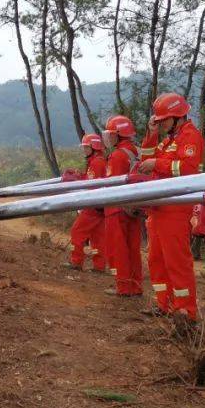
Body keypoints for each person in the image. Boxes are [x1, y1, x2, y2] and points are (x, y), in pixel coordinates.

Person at [137, 94, 204, 320]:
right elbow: (144, 160)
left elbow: (187, 169)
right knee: (156, 259)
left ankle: (186, 310)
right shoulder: (169, 140)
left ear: (177, 116)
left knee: (177, 261)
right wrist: (151, 135)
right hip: (158, 207)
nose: (161, 123)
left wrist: (158, 163)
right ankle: (164, 305)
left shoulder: (190, 137)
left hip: (176, 208)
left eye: (164, 120)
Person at [102, 116, 143, 296]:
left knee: (118, 248)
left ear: (119, 135)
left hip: (116, 208)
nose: (109, 138)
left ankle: (123, 286)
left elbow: (111, 184)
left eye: (111, 134)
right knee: (133, 248)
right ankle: (136, 286)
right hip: (133, 208)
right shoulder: (136, 152)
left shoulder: (117, 156)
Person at [65, 133, 107, 272]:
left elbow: (93, 185)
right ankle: (99, 266)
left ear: (93, 147)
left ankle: (76, 262)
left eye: (86, 147)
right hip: (99, 206)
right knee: (98, 237)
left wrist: (77, 180)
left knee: (77, 231)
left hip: (92, 205)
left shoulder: (97, 162)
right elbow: (91, 179)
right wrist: (79, 175)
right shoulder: (96, 161)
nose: (84, 150)